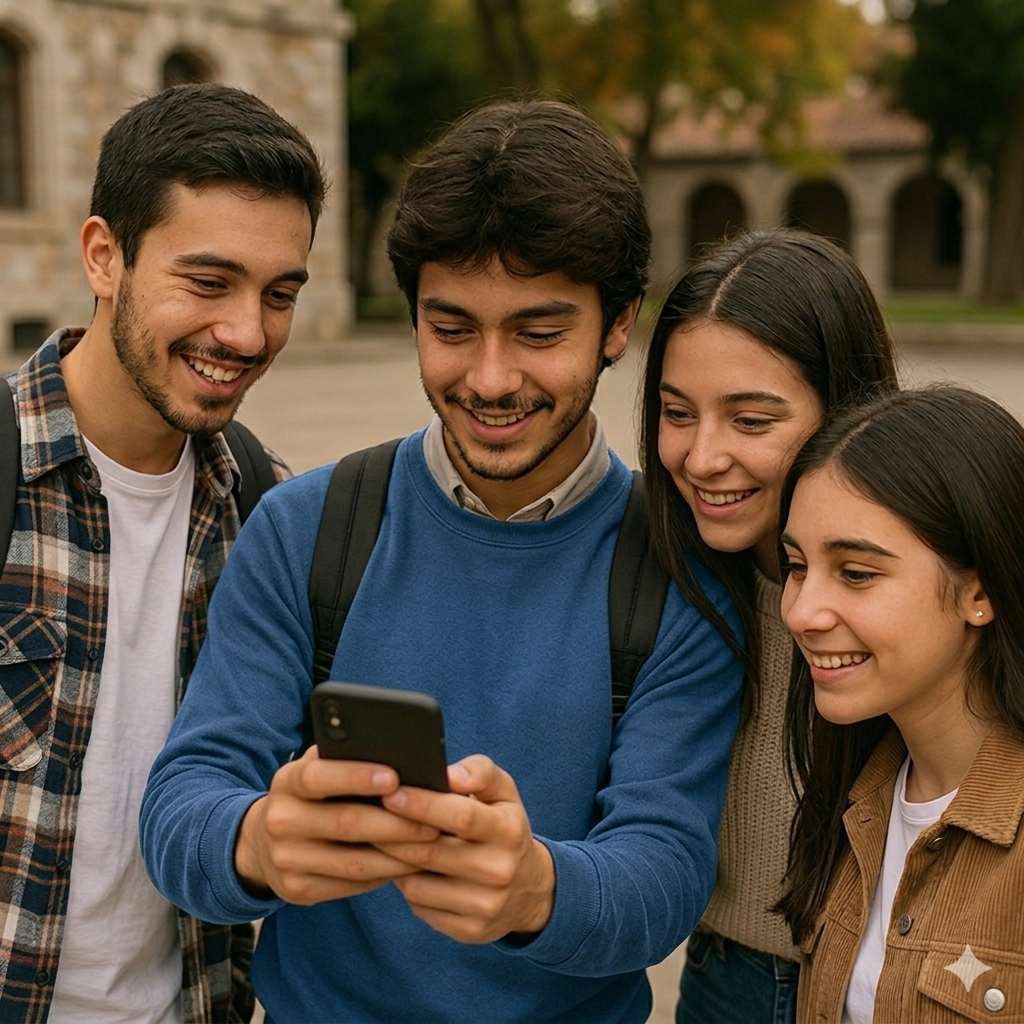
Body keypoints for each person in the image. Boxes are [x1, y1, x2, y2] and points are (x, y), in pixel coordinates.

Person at [140, 100, 744, 1024]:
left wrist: (536, 887)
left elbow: (662, 875)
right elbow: (183, 804)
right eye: (451, 328)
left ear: (619, 325)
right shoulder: (305, 526)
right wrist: (257, 842)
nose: (491, 380)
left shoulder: (680, 571)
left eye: (540, 334)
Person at [0, 83, 326, 1022]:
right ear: (105, 256)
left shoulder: (275, 516)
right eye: (208, 281)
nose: (247, 333)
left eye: (279, 295)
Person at [638, 230, 898, 1024]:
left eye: (750, 421)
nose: (704, 457)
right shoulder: (658, 565)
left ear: (844, 410)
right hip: (725, 978)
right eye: (677, 413)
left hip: (897, 983)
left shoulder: (924, 576)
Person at [777, 386, 1024, 1023]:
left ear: (980, 593)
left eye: (857, 573)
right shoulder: (854, 796)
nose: (802, 612)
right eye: (797, 566)